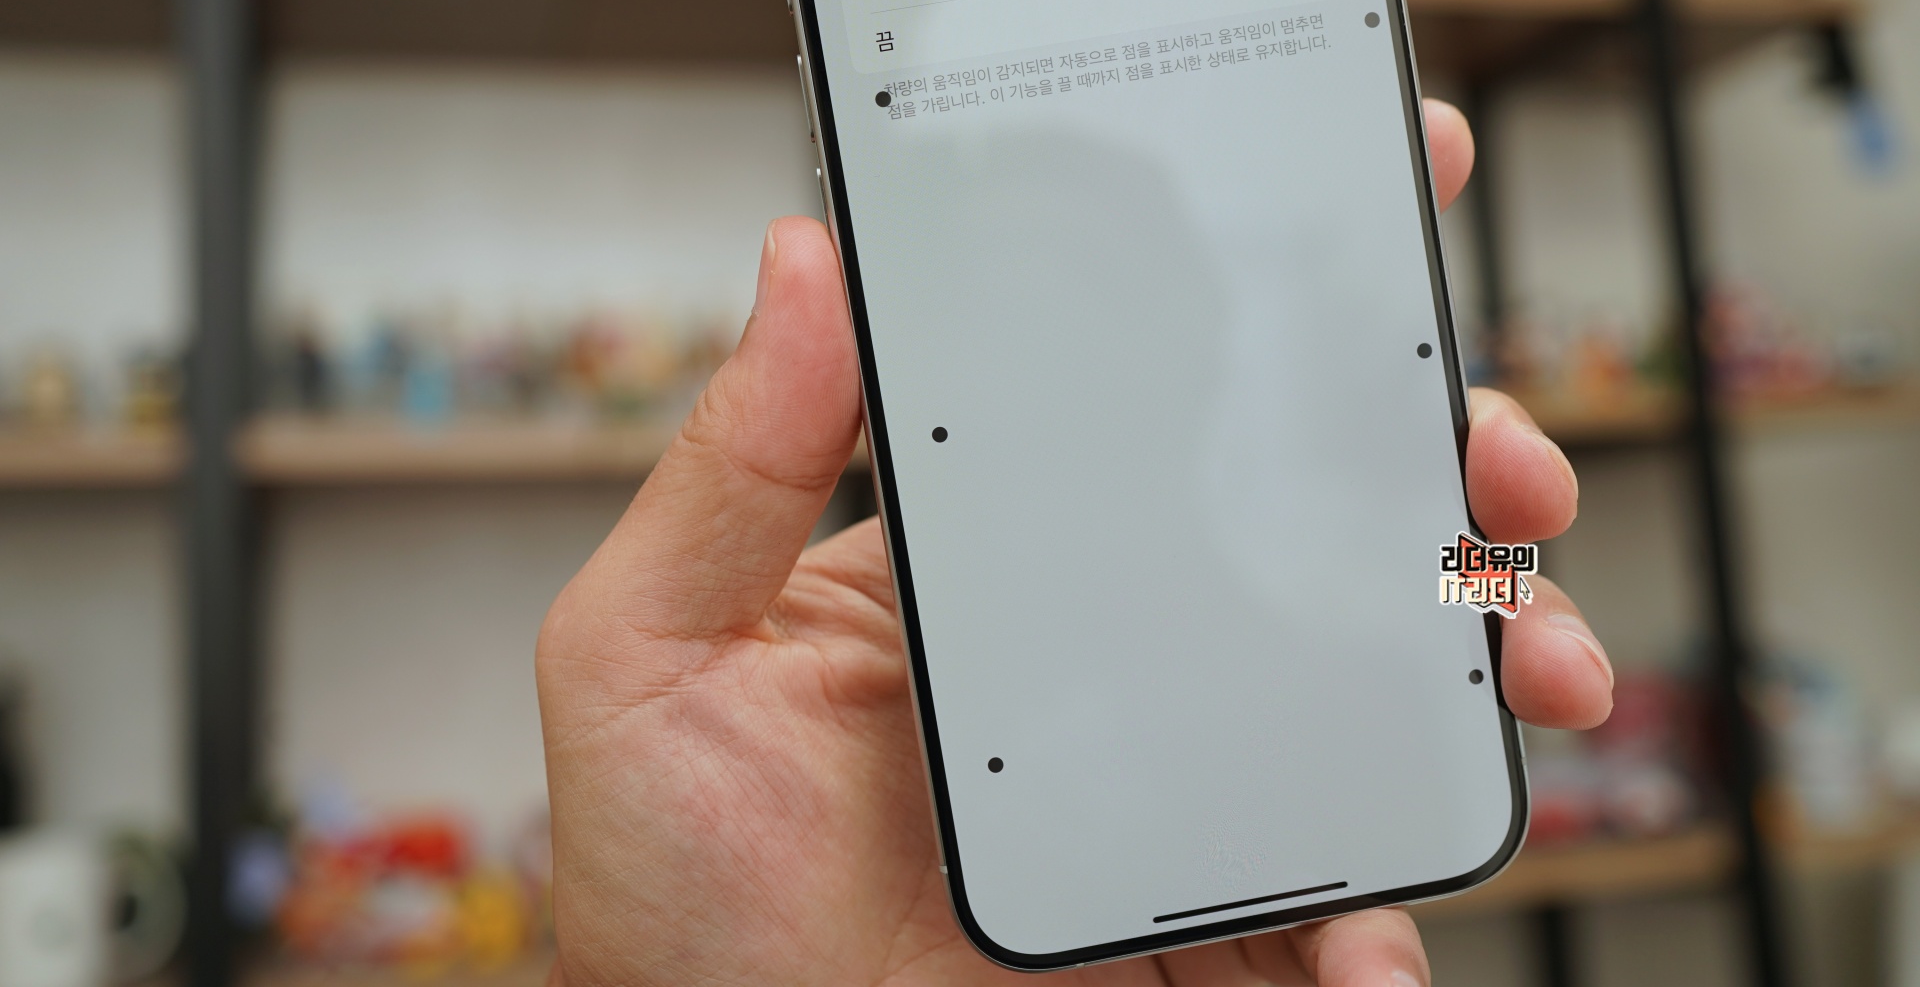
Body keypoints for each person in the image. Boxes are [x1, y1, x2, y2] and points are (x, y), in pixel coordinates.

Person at [536, 101, 1612, 987]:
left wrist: (1498, 582)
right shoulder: (861, 747)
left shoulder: (1362, 661)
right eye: (1007, 308)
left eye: (1092, 295)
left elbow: (1487, 597)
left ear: (1200, 341)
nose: (1055, 362)